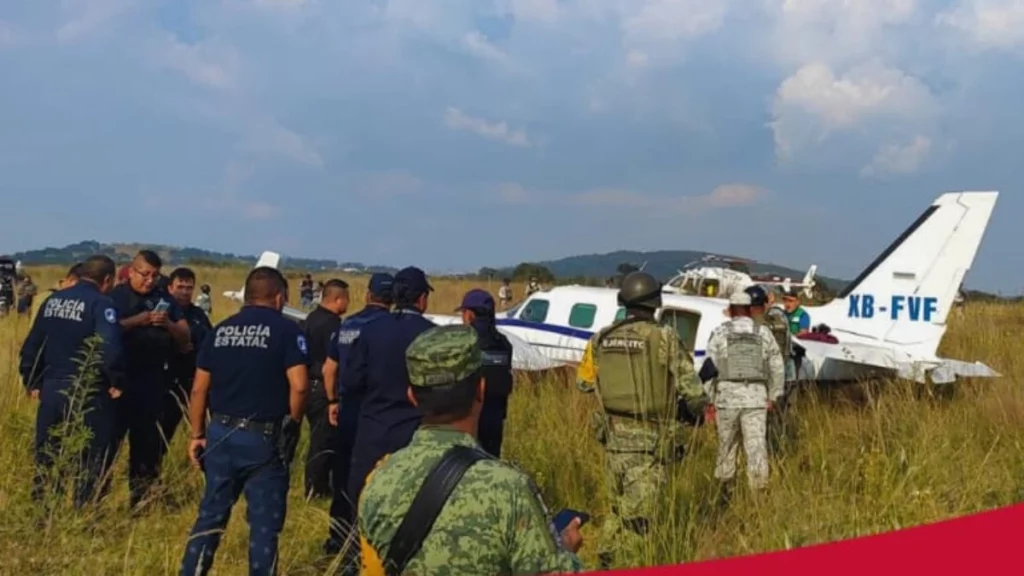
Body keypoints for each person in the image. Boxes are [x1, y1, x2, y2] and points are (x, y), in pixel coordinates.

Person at [357, 325, 584, 575]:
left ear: (412, 396)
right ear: (481, 390)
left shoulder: (378, 480)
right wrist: (566, 550)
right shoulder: (508, 488)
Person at [179, 266, 309, 576]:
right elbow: (301, 385)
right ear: (280, 298)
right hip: (263, 438)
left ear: (248, 296)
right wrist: (292, 423)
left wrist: (197, 433)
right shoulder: (287, 331)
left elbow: (199, 388)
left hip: (220, 433)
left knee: (210, 518)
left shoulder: (220, 330)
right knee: (264, 527)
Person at [578, 271, 708, 568]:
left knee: (618, 512)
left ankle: (605, 563)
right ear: (656, 303)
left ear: (624, 301)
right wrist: (696, 412)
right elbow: (694, 391)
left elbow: (583, 383)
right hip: (650, 443)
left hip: (612, 441)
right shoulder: (664, 337)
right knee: (640, 523)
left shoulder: (601, 339)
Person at [18, 255, 124, 507]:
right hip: (88, 389)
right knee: (89, 456)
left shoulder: (53, 300)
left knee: (48, 454)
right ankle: (83, 514)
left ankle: (42, 513)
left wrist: (32, 380)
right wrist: (117, 380)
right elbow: (108, 347)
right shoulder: (101, 304)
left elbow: (33, 344)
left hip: (52, 387)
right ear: (107, 280)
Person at [342, 266, 435, 536]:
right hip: (417, 435)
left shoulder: (371, 332)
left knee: (363, 504)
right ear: (421, 299)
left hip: (373, 430)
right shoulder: (432, 335)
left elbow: (350, 381)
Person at [109, 250, 191, 510]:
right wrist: (140, 320)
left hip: (153, 380)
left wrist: (167, 324)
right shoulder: (116, 297)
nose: (149, 281)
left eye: (155, 276)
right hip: (119, 382)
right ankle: (96, 499)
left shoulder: (163, 298)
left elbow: (186, 337)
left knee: (147, 446)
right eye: (144, 275)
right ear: (131, 271)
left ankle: (141, 500)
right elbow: (107, 331)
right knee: (109, 444)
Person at [320, 273, 394, 557]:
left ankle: (337, 537)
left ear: (367, 295)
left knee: (343, 474)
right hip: (374, 409)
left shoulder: (347, 324)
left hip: (347, 406)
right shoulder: (386, 328)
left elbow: (329, 369)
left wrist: (332, 400)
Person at [704, 291, 785, 497]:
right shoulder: (764, 333)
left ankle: (725, 492)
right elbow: (777, 367)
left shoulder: (719, 333)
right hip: (756, 399)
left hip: (726, 399)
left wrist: (709, 400)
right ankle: (758, 494)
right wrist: (774, 396)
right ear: (750, 310)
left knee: (727, 446)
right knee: (756, 446)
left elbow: (708, 370)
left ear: (730, 310)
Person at [299, 278, 350, 499]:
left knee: (318, 438)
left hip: (309, 386)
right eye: (347, 299)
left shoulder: (311, 317)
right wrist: (333, 398)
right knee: (324, 440)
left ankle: (316, 484)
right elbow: (332, 365)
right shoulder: (333, 325)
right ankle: (316, 488)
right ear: (337, 299)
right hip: (323, 388)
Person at [159, 267, 214, 462]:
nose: (184, 292)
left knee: (202, 434)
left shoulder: (198, 315)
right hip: (165, 384)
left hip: (194, 382)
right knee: (159, 439)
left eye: (189, 288)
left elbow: (210, 342)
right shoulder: (161, 312)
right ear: (170, 287)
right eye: (180, 287)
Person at [456, 288, 514, 457]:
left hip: (467, 420)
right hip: (495, 419)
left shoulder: (463, 342)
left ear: (469, 315)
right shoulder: (503, 344)